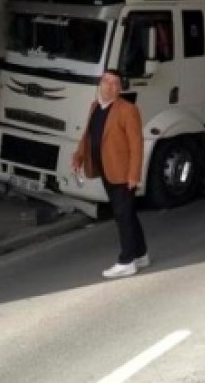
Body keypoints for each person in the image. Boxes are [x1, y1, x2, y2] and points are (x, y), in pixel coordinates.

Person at [71, 70, 149, 278]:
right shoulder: (95, 106)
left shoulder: (128, 110)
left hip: (122, 173)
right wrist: (78, 156)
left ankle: (127, 261)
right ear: (100, 84)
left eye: (115, 84)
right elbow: (88, 136)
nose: (109, 86)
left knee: (122, 215)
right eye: (106, 82)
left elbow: (136, 145)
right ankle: (141, 254)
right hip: (105, 168)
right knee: (127, 213)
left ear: (120, 88)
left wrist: (134, 175)